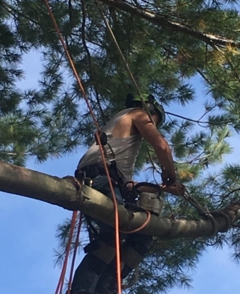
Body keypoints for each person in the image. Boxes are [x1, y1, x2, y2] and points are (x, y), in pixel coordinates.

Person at [71, 94, 184, 294]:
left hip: (102, 179)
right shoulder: (138, 114)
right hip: (102, 177)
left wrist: (163, 188)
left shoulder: (119, 138)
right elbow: (162, 146)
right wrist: (171, 174)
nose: (153, 124)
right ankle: (85, 289)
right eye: (155, 120)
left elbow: (128, 184)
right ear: (150, 109)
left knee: (133, 234)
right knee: (121, 230)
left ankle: (105, 286)